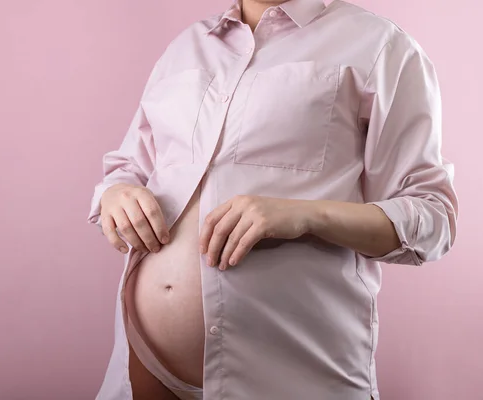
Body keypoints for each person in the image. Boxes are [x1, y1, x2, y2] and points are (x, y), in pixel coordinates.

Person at [87, 0, 459, 399]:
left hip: (289, 371)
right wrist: (116, 193)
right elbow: (129, 167)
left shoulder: (380, 47)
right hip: (145, 364)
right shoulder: (185, 48)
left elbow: (432, 216)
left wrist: (305, 215)